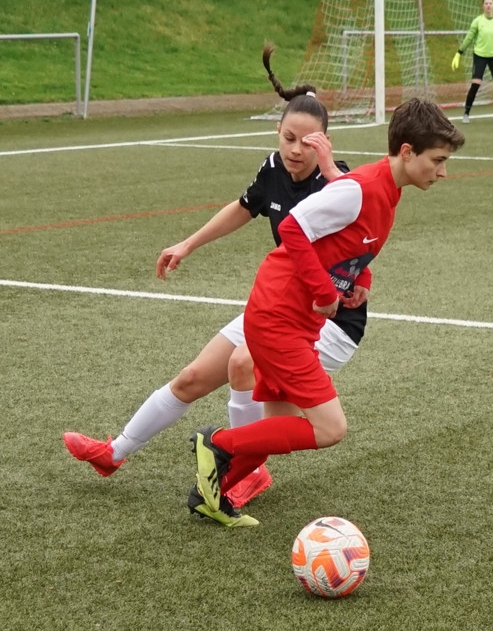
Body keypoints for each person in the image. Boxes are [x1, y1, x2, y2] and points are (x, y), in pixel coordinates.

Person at [63, 44, 370, 517]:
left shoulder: (338, 184)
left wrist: (361, 277)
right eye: (288, 138)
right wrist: (188, 244)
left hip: (329, 320)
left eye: (307, 143)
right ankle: (114, 454)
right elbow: (245, 207)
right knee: (193, 378)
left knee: (243, 362)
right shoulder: (273, 167)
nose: (295, 149)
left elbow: (364, 235)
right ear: (278, 131)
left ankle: (243, 471)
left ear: (324, 144)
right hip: (280, 307)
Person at [189, 97, 465, 528]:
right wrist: (323, 291)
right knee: (330, 428)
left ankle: (212, 493)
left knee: (277, 430)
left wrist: (359, 280)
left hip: (297, 321)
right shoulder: (363, 188)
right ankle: (218, 443)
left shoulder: (383, 189)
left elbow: (351, 240)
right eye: (438, 160)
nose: (443, 172)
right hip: (278, 315)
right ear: (407, 152)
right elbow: (293, 227)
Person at [451, 0, 493, 125]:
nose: (488, 5)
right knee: (476, 83)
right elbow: (469, 38)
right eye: (486, 3)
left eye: (490, 3)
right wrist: (459, 53)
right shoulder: (477, 21)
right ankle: (466, 113)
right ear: (483, 6)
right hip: (480, 56)